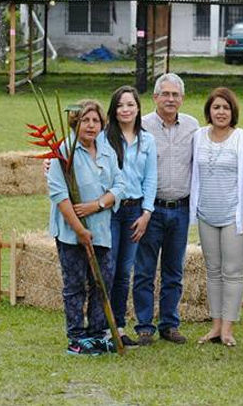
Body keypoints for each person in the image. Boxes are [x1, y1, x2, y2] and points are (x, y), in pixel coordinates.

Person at [47, 100, 125, 355]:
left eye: (96, 121)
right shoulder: (64, 152)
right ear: (75, 123)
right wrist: (79, 229)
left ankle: (97, 332)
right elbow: (59, 194)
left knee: (102, 281)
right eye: (86, 120)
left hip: (100, 230)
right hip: (73, 233)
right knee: (75, 284)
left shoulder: (106, 151)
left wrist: (97, 205)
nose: (91, 126)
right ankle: (76, 337)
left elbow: (120, 185)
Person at [190, 87, 243, 347]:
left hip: (234, 215)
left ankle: (228, 328)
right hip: (207, 213)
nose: (221, 112)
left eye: (226, 108)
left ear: (233, 112)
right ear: (209, 110)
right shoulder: (198, 137)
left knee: (232, 271)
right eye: (216, 107)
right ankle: (215, 326)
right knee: (213, 271)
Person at [134, 73, 199, 346]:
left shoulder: (193, 127)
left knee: (174, 270)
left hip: (180, 208)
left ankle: (170, 324)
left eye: (175, 95)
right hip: (151, 208)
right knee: (145, 270)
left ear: (182, 99)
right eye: (166, 94)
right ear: (155, 98)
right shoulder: (142, 126)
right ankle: (145, 325)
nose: (170, 99)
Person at [101, 85, 157, 348]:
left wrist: (146, 212)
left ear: (138, 108)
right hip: (110, 210)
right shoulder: (103, 138)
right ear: (114, 110)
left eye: (130, 105)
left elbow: (151, 179)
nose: (126, 110)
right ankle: (103, 325)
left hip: (134, 211)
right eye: (121, 105)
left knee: (124, 271)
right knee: (108, 268)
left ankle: (119, 327)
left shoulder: (147, 141)